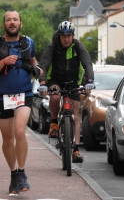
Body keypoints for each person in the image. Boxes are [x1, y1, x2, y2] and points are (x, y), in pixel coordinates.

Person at [0, 10, 42, 195]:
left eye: (15, 20)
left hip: (24, 94)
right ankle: (14, 174)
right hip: (2, 96)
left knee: (19, 132)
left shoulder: (28, 42)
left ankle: (22, 172)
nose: (12, 22)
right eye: (9, 20)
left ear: (20, 24)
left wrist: (38, 69)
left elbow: (33, 60)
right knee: (8, 140)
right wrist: (3, 62)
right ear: (4, 25)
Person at [38, 21, 95, 163]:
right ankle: (54, 123)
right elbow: (44, 64)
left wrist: (89, 81)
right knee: (55, 97)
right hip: (55, 79)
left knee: (76, 117)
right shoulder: (53, 46)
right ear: (59, 35)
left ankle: (75, 150)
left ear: (73, 35)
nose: (66, 39)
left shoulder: (78, 46)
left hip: (73, 82)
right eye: (63, 36)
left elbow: (87, 63)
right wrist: (43, 82)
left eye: (69, 36)